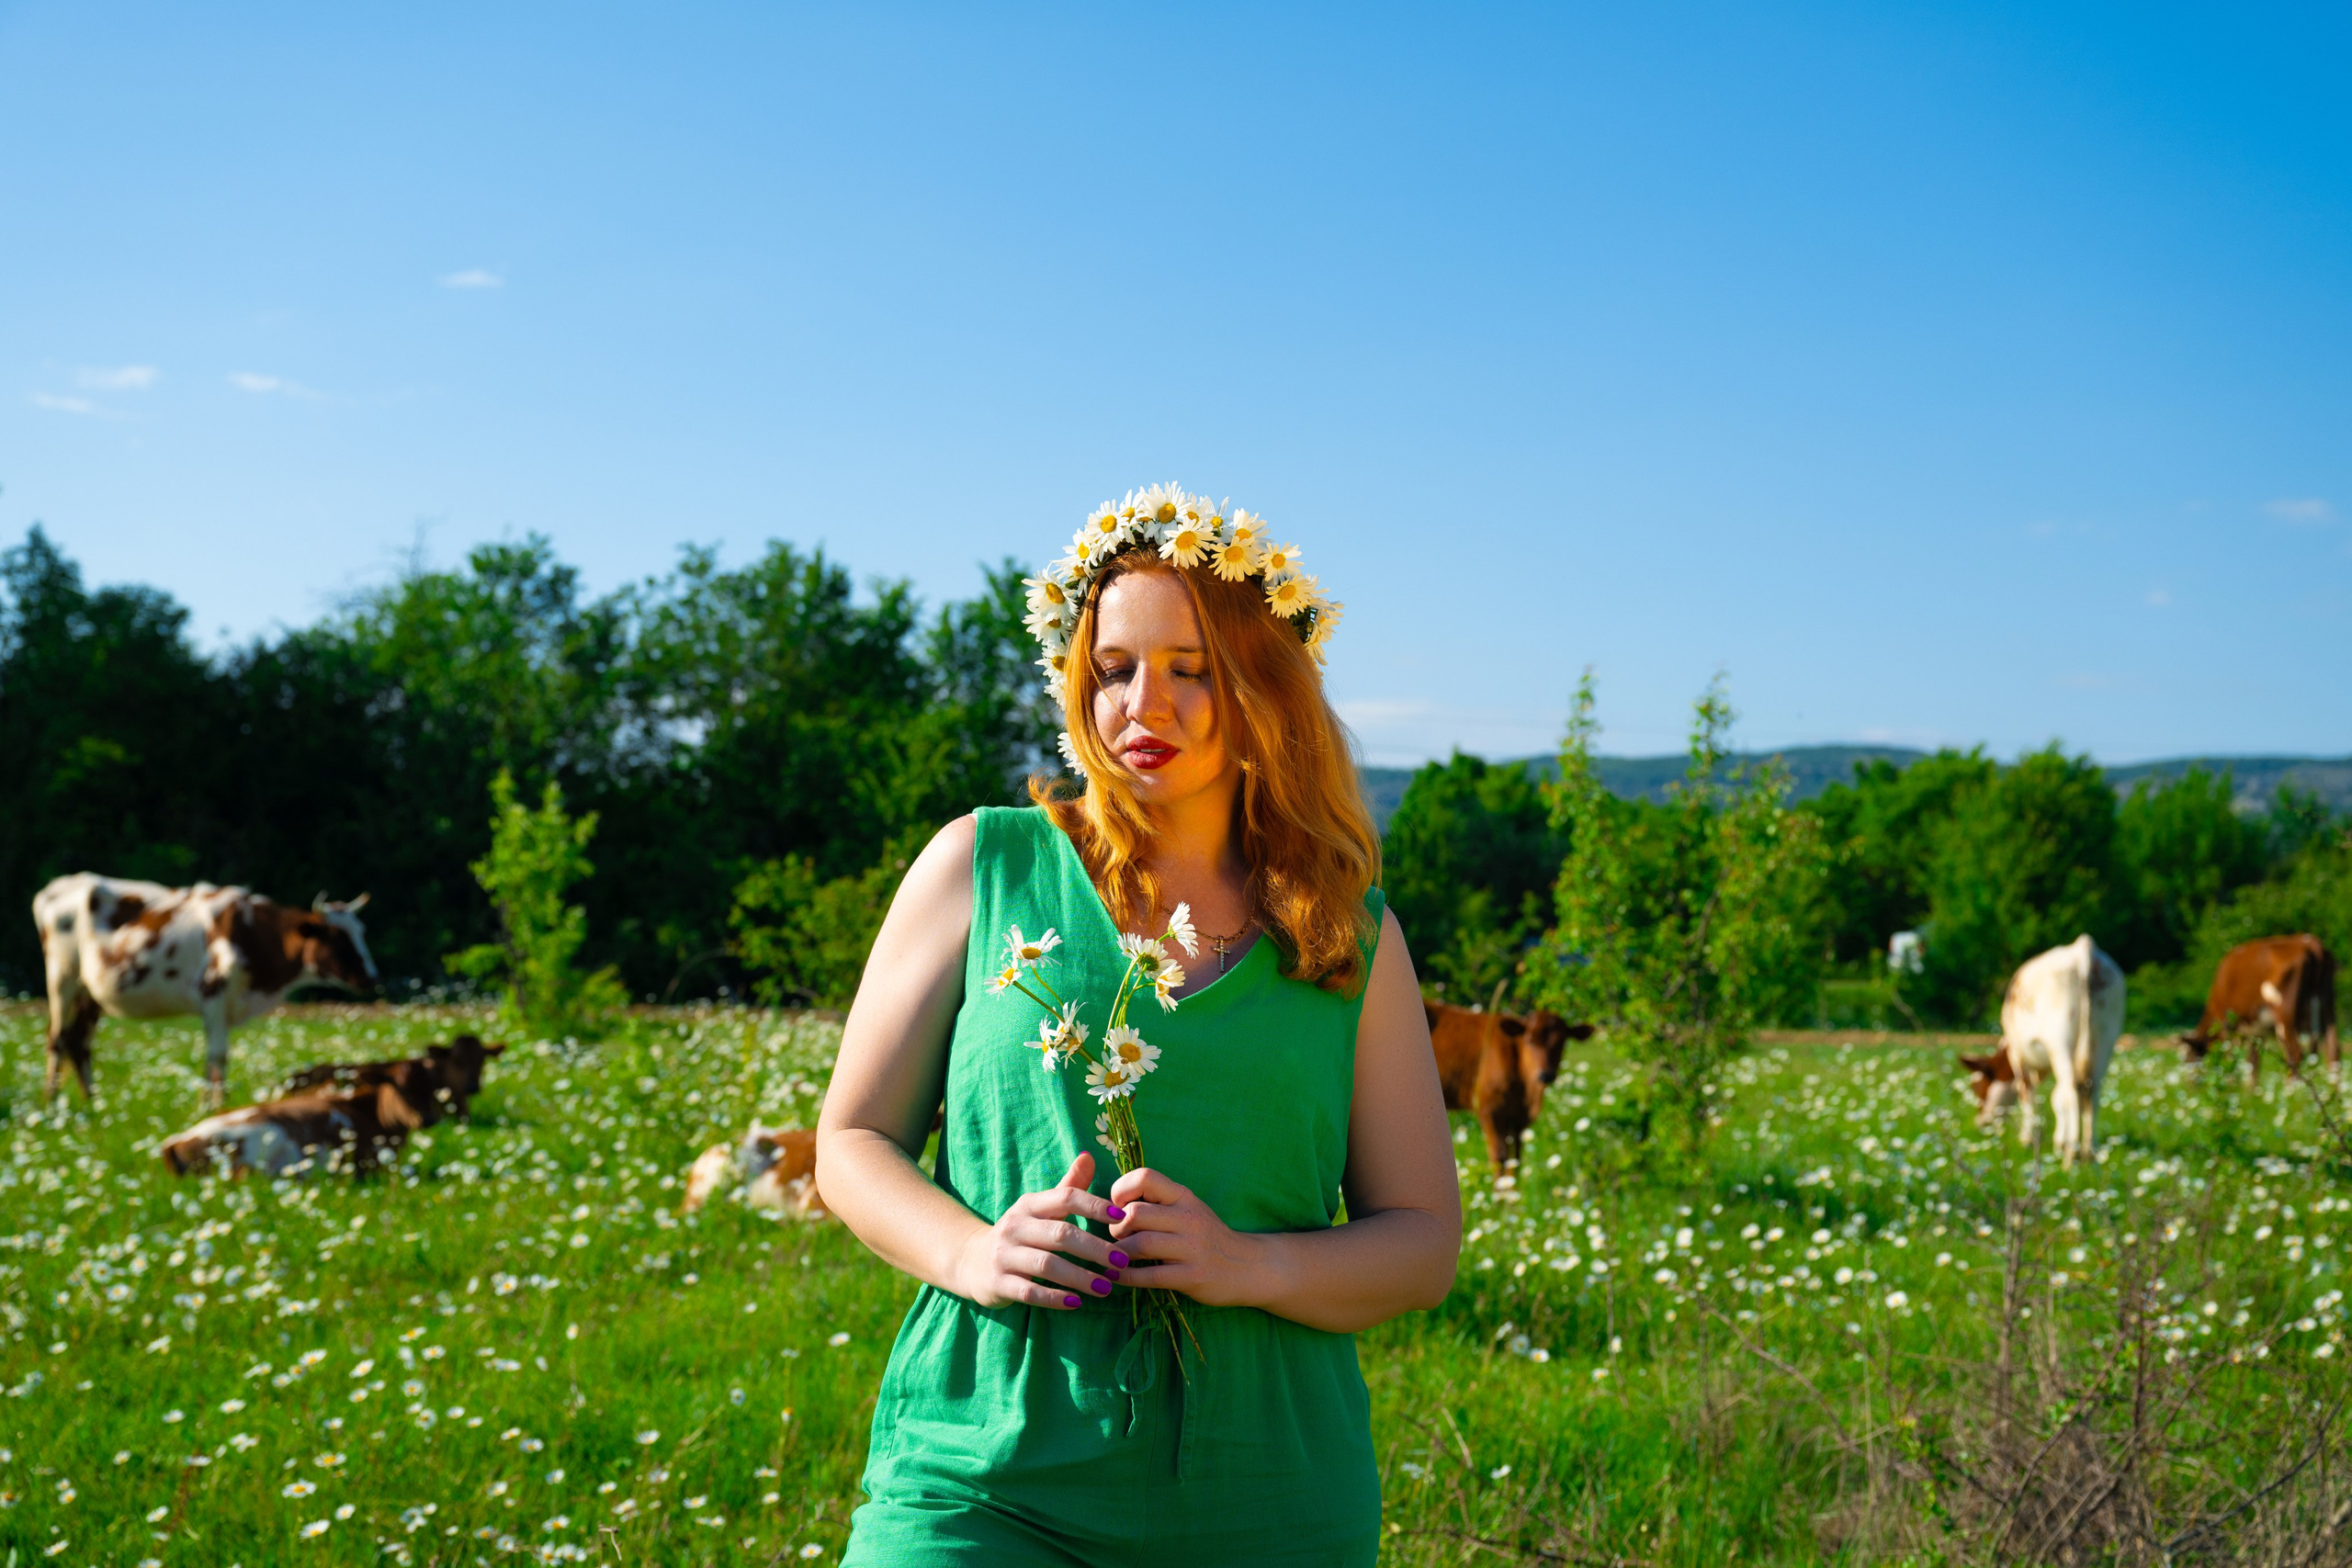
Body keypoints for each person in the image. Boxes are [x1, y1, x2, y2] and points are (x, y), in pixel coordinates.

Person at [819, 484, 1460, 1566]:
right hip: (980, 1480)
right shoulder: (984, 868)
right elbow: (848, 1143)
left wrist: (1245, 1266)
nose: (1141, 705)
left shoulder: (1349, 936)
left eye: (1191, 669)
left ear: (1264, 683)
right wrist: (973, 1252)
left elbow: (1420, 1243)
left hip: (1269, 1504)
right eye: (1114, 668)